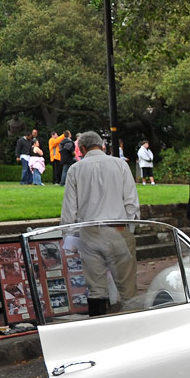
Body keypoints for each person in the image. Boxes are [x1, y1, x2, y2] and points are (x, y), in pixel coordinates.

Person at [61, 130, 141, 317]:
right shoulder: (119, 165)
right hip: (118, 228)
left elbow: (69, 208)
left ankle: (98, 329)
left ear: (81, 148)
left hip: (90, 232)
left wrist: (68, 236)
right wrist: (130, 229)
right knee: (128, 289)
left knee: (96, 289)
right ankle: (135, 326)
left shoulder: (75, 169)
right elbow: (131, 202)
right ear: (102, 146)